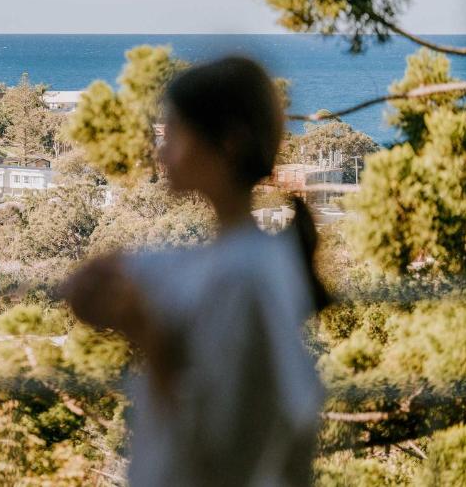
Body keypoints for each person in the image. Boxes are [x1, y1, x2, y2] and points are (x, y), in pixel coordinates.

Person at [61, 57, 328, 487]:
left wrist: (145, 332)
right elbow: (104, 282)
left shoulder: (243, 278)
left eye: (176, 134)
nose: (162, 150)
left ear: (229, 144)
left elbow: (225, 445)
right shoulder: (245, 258)